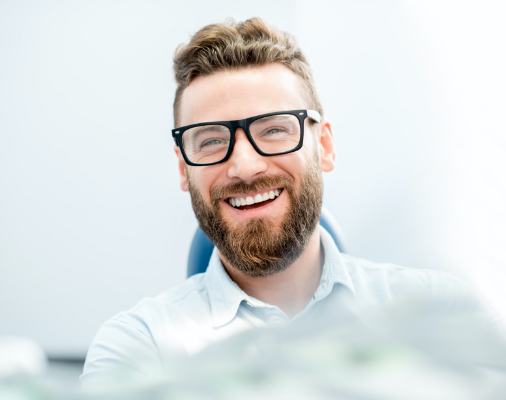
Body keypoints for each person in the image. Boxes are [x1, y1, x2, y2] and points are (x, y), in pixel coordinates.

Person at [80, 17, 466, 386]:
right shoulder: (139, 348)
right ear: (184, 170)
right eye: (212, 140)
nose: (245, 167)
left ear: (325, 147)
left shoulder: (441, 312)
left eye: (275, 130)